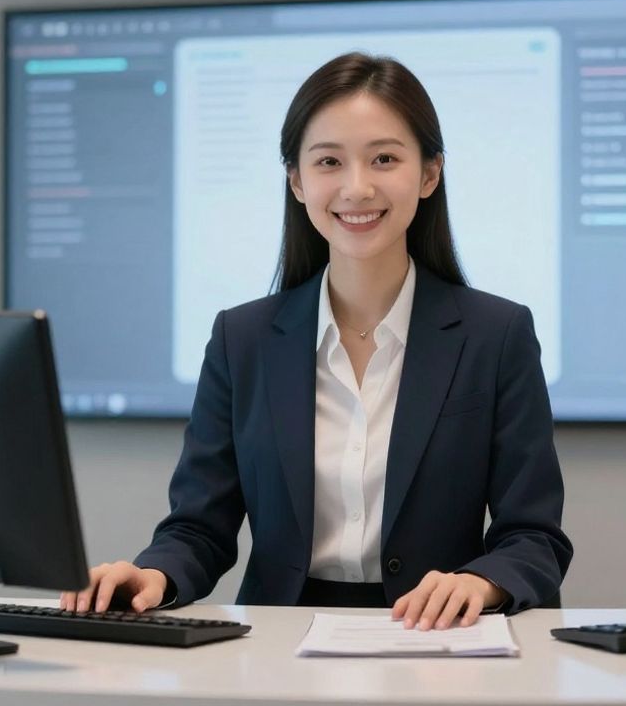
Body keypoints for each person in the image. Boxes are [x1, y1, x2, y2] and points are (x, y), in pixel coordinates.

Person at [62, 52, 571, 631]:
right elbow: (198, 527)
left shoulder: (496, 335)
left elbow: (533, 536)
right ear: (297, 181)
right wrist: (154, 575)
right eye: (329, 161)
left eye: (384, 158)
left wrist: (480, 584)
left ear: (429, 174)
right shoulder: (242, 338)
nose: (357, 187)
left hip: (437, 642)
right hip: (279, 644)